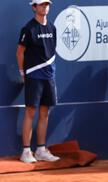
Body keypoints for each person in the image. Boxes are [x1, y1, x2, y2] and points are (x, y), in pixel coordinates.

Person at [17, 0, 60, 163]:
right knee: (31, 112)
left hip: (49, 76)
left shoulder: (52, 28)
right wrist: (23, 72)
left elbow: (51, 51)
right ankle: (26, 152)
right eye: (41, 5)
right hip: (34, 76)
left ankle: (41, 150)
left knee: (44, 113)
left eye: (47, 4)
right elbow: (20, 52)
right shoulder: (28, 29)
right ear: (34, 7)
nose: (45, 7)